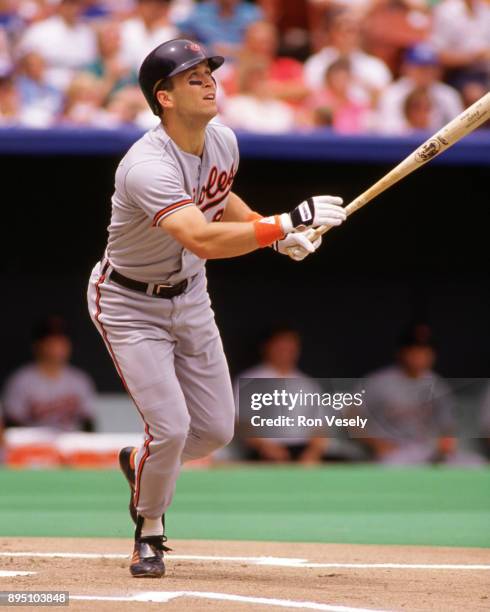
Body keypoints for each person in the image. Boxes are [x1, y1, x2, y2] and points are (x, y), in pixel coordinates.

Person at [87, 38, 346, 579]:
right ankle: (150, 531)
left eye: (208, 72)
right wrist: (283, 221)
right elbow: (201, 236)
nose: (208, 82)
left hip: (189, 292)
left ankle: (141, 466)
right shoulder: (144, 166)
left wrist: (275, 236)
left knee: (215, 431)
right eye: (191, 78)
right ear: (164, 97)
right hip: (129, 302)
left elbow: (220, 195)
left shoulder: (222, 139)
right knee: (172, 428)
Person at [354, 323, 457, 465]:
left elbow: (447, 427)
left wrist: (446, 443)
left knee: (475, 465)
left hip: (427, 450)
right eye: (414, 349)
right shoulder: (377, 382)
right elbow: (351, 417)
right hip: (393, 450)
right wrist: (375, 443)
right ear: (401, 351)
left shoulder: (438, 385)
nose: (419, 355)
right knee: (392, 466)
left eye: (425, 350)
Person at [236, 325, 327, 464]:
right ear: (266, 347)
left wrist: (313, 453)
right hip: (262, 453)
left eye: (290, 346)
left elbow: (320, 425)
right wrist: (265, 447)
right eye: (280, 345)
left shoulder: (308, 384)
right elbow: (240, 422)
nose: (285, 351)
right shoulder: (249, 380)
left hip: (301, 451)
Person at [2, 317, 96, 432]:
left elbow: (88, 422)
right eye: (51, 341)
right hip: (32, 445)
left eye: (61, 340)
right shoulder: (21, 380)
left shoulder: (80, 380)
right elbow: (12, 423)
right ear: (38, 345)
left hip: (69, 445)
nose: (57, 346)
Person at [376, 43, 463, 134]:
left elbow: (460, 130)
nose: (426, 73)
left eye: (430, 68)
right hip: (401, 144)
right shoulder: (393, 94)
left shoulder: (448, 94)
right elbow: (388, 131)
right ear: (406, 68)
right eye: (420, 68)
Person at [18, 0, 97, 91]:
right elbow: (23, 64)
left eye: (77, 5)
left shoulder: (87, 33)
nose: (74, 9)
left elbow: (91, 66)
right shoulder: (40, 30)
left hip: (80, 89)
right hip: (46, 88)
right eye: (69, 5)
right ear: (60, 6)